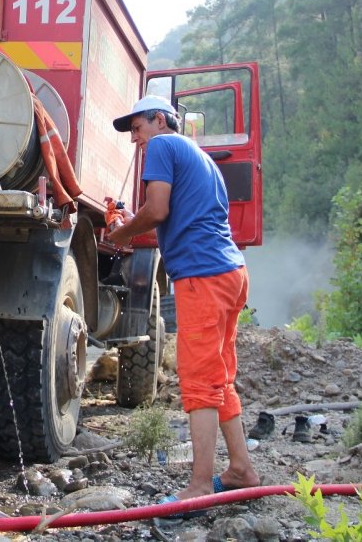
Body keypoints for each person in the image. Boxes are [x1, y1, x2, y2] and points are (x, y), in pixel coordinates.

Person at [107, 95, 259, 505]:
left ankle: (199, 485)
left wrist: (118, 233)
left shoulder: (162, 146)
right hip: (231, 272)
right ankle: (241, 468)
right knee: (219, 375)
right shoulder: (202, 158)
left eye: (137, 128)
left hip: (203, 277)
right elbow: (174, 223)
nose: (136, 139)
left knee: (198, 381)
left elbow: (155, 211)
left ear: (159, 120)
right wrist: (127, 225)